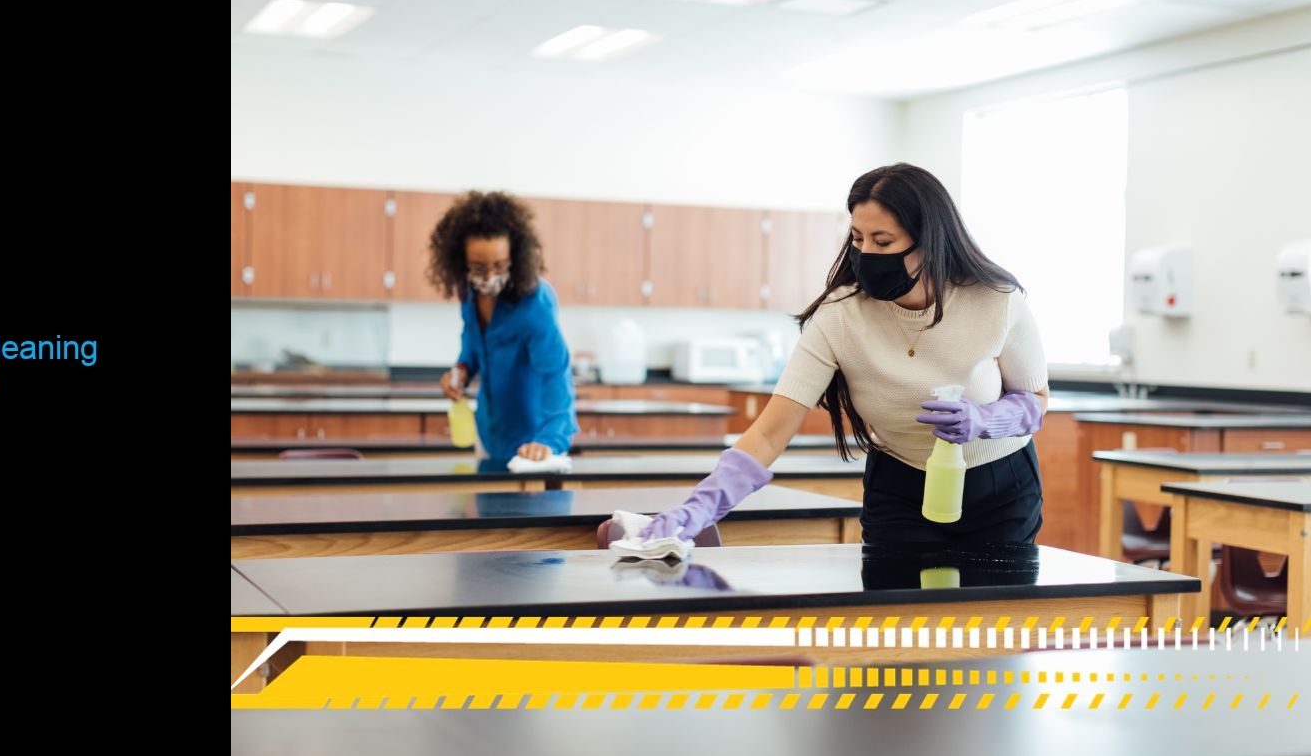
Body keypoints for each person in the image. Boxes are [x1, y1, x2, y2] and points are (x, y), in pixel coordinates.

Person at [610, 163, 1048, 560]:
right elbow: (769, 431)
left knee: (989, 620)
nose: (867, 253)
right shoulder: (840, 315)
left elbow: (1036, 399)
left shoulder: (995, 299)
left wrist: (988, 421)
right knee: (898, 623)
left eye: (884, 241)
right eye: (858, 238)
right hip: (900, 483)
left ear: (929, 241)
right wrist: (697, 510)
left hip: (1000, 485)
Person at [430, 190, 578, 464]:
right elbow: (473, 348)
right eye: (478, 266)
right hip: (488, 434)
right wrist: (461, 371)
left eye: (499, 265)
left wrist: (550, 440)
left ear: (515, 256)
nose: (488, 276)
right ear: (460, 262)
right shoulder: (469, 295)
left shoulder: (535, 304)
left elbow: (555, 374)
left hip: (533, 446)